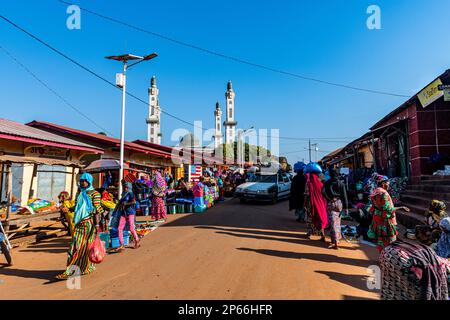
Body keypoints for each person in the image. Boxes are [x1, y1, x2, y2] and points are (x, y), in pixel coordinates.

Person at [56, 173, 104, 280]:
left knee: (78, 247)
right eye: (81, 180)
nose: (82, 182)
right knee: (79, 247)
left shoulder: (95, 194)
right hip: (78, 224)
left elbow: (98, 210)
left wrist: (96, 225)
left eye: (85, 181)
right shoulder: (80, 193)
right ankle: (85, 268)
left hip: (88, 224)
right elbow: (77, 208)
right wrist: (69, 209)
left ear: (89, 181)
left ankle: (70, 271)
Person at [367, 174, 410, 252]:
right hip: (385, 220)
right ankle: (388, 257)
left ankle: (382, 256)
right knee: (390, 240)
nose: (389, 184)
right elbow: (388, 209)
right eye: (388, 182)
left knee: (381, 239)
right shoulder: (384, 193)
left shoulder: (375, 191)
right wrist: (401, 207)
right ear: (383, 183)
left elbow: (374, 206)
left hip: (377, 218)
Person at [322, 168, 349, 249]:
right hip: (339, 203)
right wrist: (346, 207)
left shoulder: (327, 183)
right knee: (337, 222)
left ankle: (335, 241)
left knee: (332, 223)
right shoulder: (341, 184)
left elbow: (322, 192)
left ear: (330, 174)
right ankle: (337, 239)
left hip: (330, 203)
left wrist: (328, 199)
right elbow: (344, 196)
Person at [112, 182, 140, 252]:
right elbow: (121, 202)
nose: (125, 188)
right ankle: (122, 244)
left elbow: (134, 202)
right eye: (125, 187)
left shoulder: (131, 194)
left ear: (129, 188)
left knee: (131, 228)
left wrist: (126, 203)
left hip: (130, 213)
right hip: (123, 213)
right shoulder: (124, 194)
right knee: (119, 228)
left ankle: (137, 240)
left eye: (127, 187)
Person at [305, 172, 328, 241]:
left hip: (310, 203)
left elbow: (306, 194)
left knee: (310, 218)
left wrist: (304, 203)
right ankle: (322, 235)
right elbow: (324, 195)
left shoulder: (308, 184)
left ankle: (309, 233)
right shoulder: (320, 184)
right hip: (320, 204)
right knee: (319, 218)